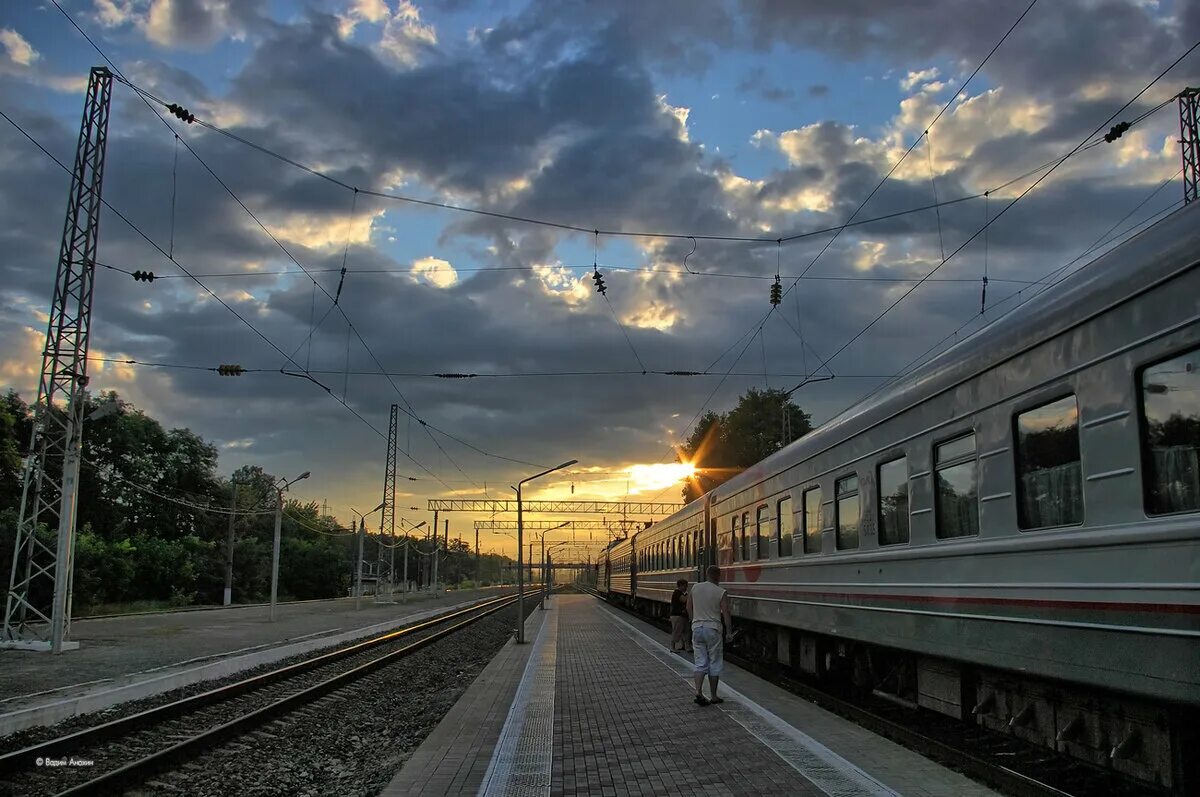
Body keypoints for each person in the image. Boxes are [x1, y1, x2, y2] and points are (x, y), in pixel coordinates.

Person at [687, 564, 731, 706]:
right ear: (718, 576)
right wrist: (729, 631)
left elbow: (688, 607)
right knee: (714, 663)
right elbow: (726, 613)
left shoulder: (695, 588)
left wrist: (694, 620)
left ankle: (698, 693)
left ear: (706, 574)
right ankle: (713, 696)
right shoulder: (721, 591)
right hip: (713, 629)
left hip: (697, 628)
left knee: (700, 663)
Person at [669, 578, 691, 653]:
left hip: (682, 616)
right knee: (677, 632)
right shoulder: (677, 593)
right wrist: (691, 594)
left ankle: (685, 646)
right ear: (680, 586)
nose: (686, 588)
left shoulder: (681, 593)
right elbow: (684, 600)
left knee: (685, 632)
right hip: (677, 615)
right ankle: (672, 647)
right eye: (685, 586)